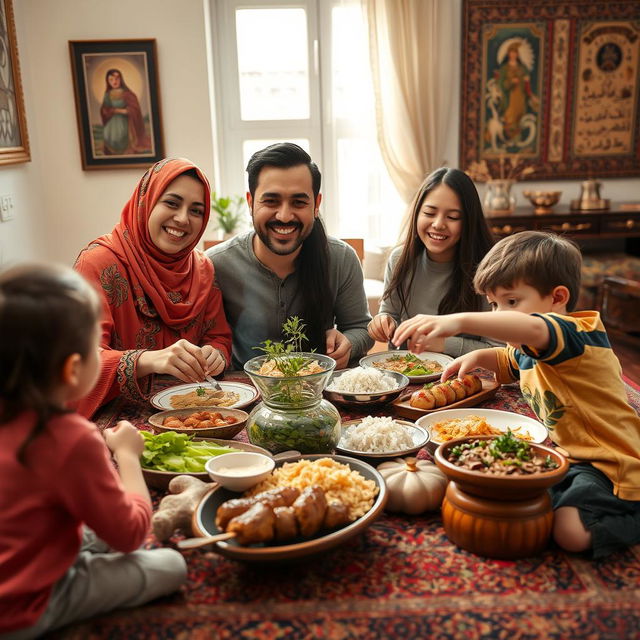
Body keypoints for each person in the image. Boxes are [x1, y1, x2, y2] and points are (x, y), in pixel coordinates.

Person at [393, 231, 640, 558]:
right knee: (513, 491)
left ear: (557, 298)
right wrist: (479, 357)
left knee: (570, 533)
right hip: (572, 457)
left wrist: (456, 321)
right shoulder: (530, 348)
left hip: (614, 465)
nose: (498, 315)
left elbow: (535, 328)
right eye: (493, 304)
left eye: (511, 302)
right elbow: (510, 361)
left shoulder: (575, 335)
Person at [0, 263, 187, 638]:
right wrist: (127, 455)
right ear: (73, 370)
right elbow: (131, 534)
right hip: (24, 607)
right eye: (96, 348)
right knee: (171, 566)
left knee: (89, 530)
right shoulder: (71, 439)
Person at [74, 157, 232, 418]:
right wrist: (148, 360)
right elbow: (79, 360)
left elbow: (218, 336)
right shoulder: (97, 265)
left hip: (192, 415)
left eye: (196, 211)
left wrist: (215, 353)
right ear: (146, 202)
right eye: (171, 203)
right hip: (117, 422)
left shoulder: (202, 270)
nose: (182, 219)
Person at [206, 142, 372, 370]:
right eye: (271, 201)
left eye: (298, 202)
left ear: (316, 205)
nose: (284, 216)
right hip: (247, 392)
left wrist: (349, 343)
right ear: (250, 202)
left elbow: (362, 328)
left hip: (318, 388)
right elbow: (208, 339)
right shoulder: (215, 265)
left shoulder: (342, 258)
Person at [368, 167, 497, 357]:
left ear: (469, 221)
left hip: (469, 377)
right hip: (411, 370)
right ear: (417, 213)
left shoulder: (489, 269)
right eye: (429, 213)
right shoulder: (399, 259)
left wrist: (443, 344)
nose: (438, 224)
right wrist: (382, 321)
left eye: (452, 217)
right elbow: (390, 314)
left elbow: (501, 351)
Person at [100, 68, 151, 155]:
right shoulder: (107, 94)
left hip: (125, 121)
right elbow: (104, 109)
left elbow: (134, 109)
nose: (114, 81)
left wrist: (119, 110)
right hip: (112, 122)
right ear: (107, 81)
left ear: (121, 79)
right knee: (107, 134)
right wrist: (110, 111)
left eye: (117, 78)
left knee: (121, 135)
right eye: (111, 79)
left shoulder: (128, 94)